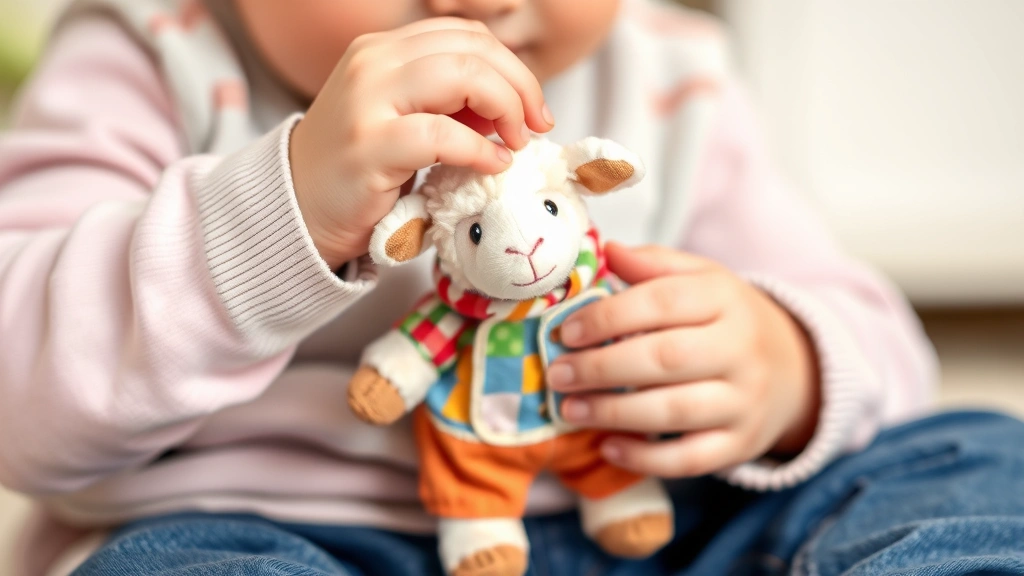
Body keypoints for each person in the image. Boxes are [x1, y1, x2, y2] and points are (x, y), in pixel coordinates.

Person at [0, 0, 1022, 574]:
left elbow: (883, 345)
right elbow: (19, 399)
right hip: (278, 529)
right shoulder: (148, 54)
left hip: (649, 524)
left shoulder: (669, 71)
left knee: (972, 455)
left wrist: (781, 364)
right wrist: (281, 211)